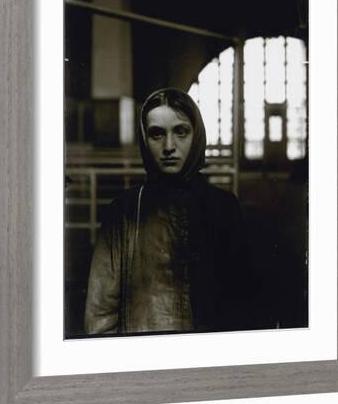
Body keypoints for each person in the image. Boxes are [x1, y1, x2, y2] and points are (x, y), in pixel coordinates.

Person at [85, 88, 251, 335]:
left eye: (181, 131)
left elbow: (243, 304)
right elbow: (100, 316)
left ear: (196, 136)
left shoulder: (223, 207)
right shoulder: (123, 212)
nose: (169, 146)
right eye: (156, 134)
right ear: (144, 140)